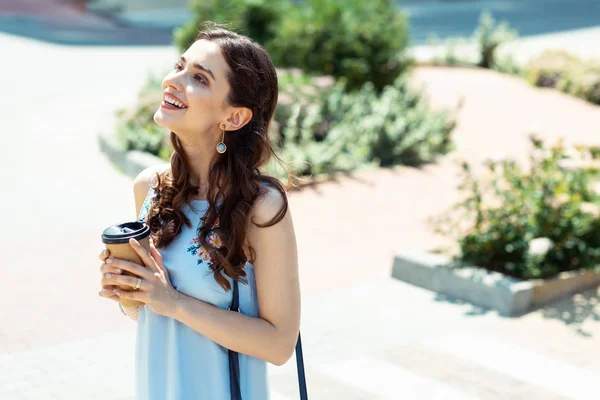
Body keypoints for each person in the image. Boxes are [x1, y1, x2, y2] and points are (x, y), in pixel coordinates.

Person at [97, 25, 301, 399]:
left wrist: (173, 302)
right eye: (179, 66)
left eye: (199, 78)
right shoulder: (149, 187)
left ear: (234, 118)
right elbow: (148, 313)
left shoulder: (261, 207)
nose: (173, 81)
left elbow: (279, 345)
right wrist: (130, 292)